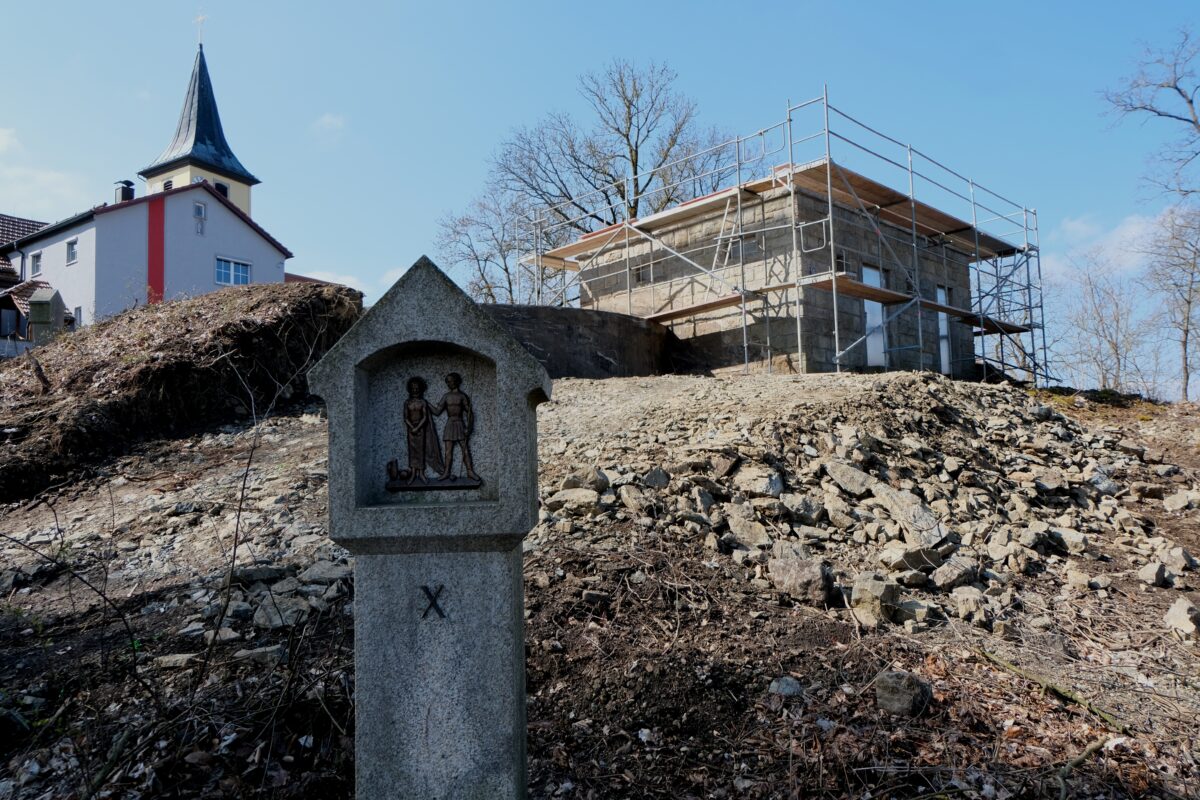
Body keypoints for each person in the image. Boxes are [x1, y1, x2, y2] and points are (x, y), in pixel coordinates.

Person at [432, 372, 479, 481]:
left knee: (465, 449)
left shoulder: (462, 396)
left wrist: (469, 428)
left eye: (451, 381)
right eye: (447, 382)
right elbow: (437, 411)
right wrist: (426, 403)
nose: (449, 383)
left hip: (459, 424)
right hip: (450, 424)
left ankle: (470, 471)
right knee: (448, 451)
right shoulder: (446, 396)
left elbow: (470, 413)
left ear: (456, 381)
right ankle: (446, 472)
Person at [403, 376, 444, 483]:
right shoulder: (407, 403)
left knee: (421, 450)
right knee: (412, 451)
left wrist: (417, 427)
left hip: (421, 429)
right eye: (413, 388)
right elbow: (406, 418)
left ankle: (421, 473)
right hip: (411, 430)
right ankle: (413, 473)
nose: (415, 390)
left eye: (417, 388)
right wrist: (412, 428)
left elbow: (425, 417)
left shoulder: (423, 402)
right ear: (410, 389)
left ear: (420, 389)